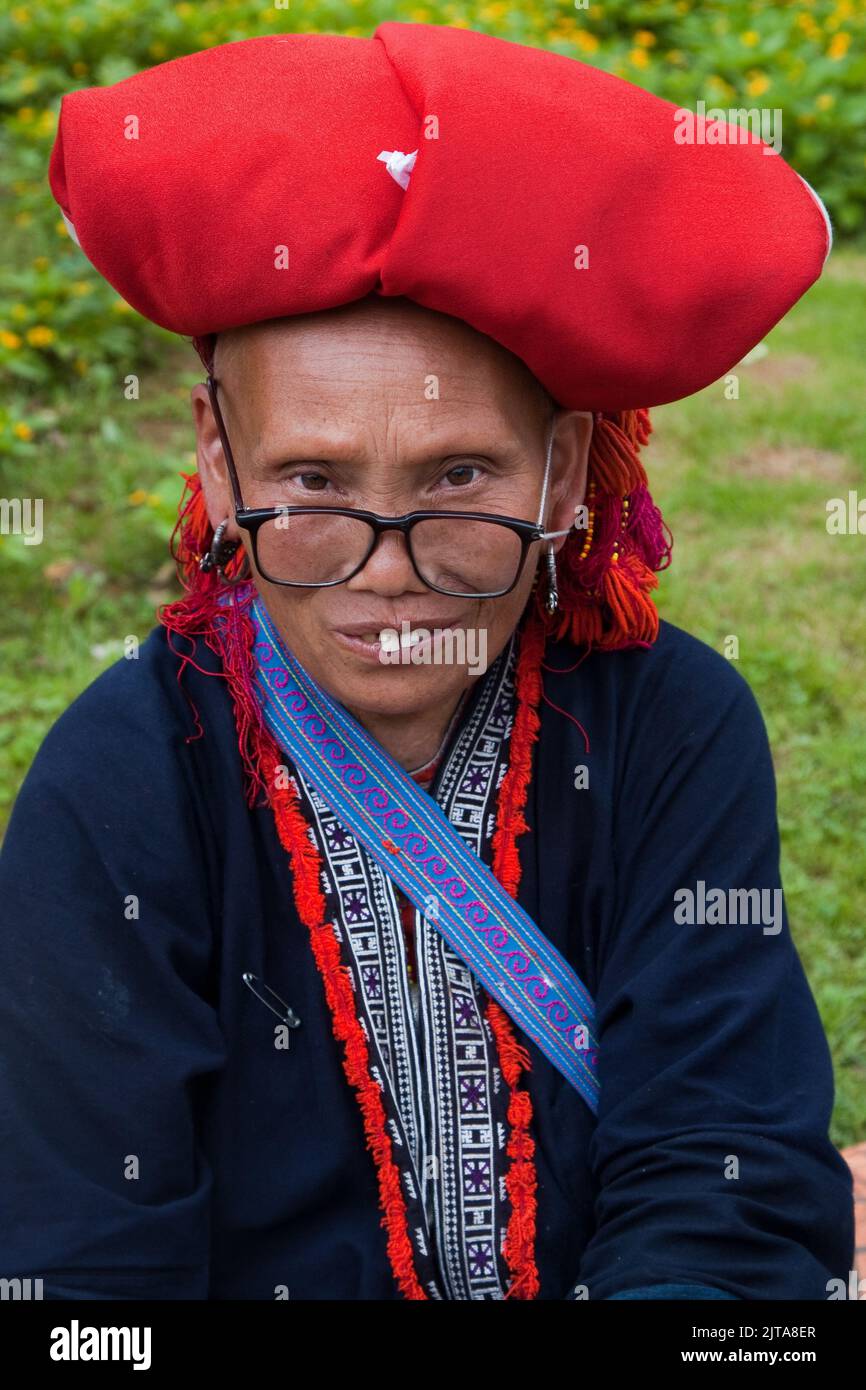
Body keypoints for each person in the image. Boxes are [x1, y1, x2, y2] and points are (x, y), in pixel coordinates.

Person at [0, 22, 853, 1301]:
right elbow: (86, 1269)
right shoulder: (121, 786)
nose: (381, 566)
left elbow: (714, 1161)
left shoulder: (669, 722)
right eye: (311, 481)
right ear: (218, 463)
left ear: (564, 472)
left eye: (459, 476)